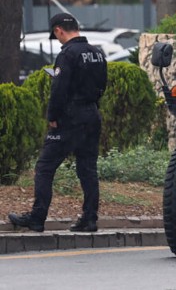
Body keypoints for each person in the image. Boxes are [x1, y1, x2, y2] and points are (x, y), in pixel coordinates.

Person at [9, 13, 108, 233]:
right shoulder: (97, 53)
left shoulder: (68, 55)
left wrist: (53, 116)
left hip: (70, 117)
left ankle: (37, 217)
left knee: (45, 167)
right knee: (88, 168)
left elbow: (59, 88)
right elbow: (102, 84)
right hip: (92, 114)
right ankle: (90, 219)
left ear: (58, 30)